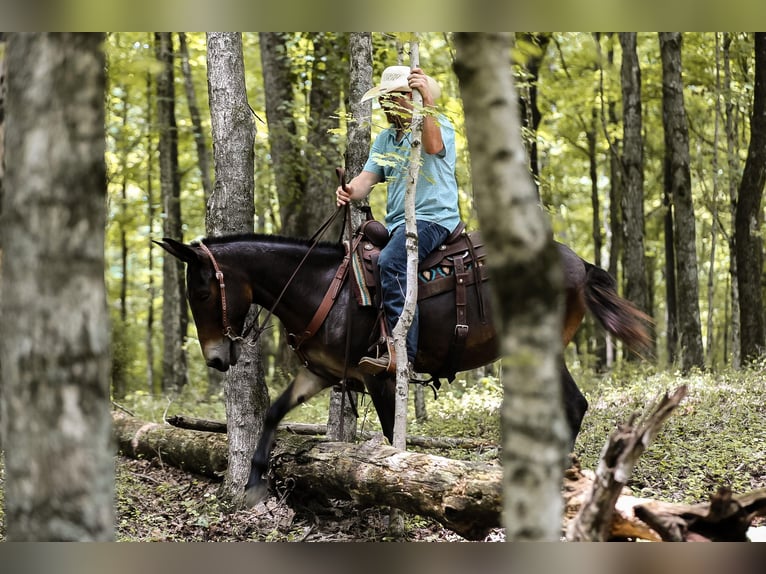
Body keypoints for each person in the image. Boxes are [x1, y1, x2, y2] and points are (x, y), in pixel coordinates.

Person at [336, 65, 461, 375]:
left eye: (394, 97)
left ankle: (402, 352)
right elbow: (367, 179)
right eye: (383, 99)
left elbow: (432, 147)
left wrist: (427, 104)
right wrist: (349, 190)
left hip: (434, 219)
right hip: (398, 223)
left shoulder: (437, 124)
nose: (386, 104)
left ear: (412, 97)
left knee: (391, 262)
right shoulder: (385, 140)